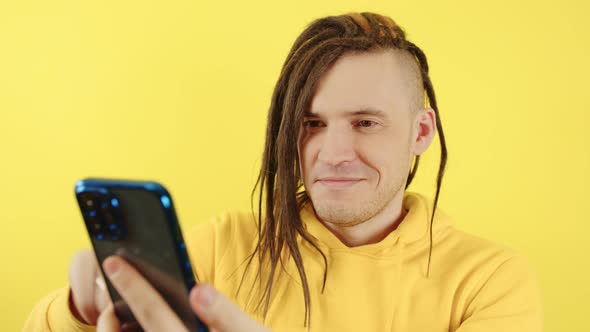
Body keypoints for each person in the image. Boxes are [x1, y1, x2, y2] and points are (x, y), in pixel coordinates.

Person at [24, 12, 543, 331]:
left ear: (421, 133)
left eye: (365, 122)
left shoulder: (488, 281)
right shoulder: (224, 245)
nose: (332, 151)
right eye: (311, 123)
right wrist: (79, 309)